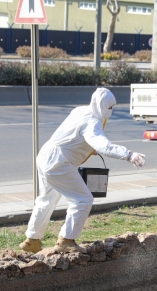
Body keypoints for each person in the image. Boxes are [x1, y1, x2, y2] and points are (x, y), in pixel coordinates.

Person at [19, 88, 146, 254]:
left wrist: (88, 149)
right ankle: (66, 240)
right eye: (110, 107)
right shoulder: (92, 123)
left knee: (46, 199)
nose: (111, 111)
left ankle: (32, 241)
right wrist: (128, 154)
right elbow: (102, 144)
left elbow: (72, 136)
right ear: (102, 106)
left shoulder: (80, 110)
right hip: (59, 163)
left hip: (46, 156)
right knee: (83, 199)